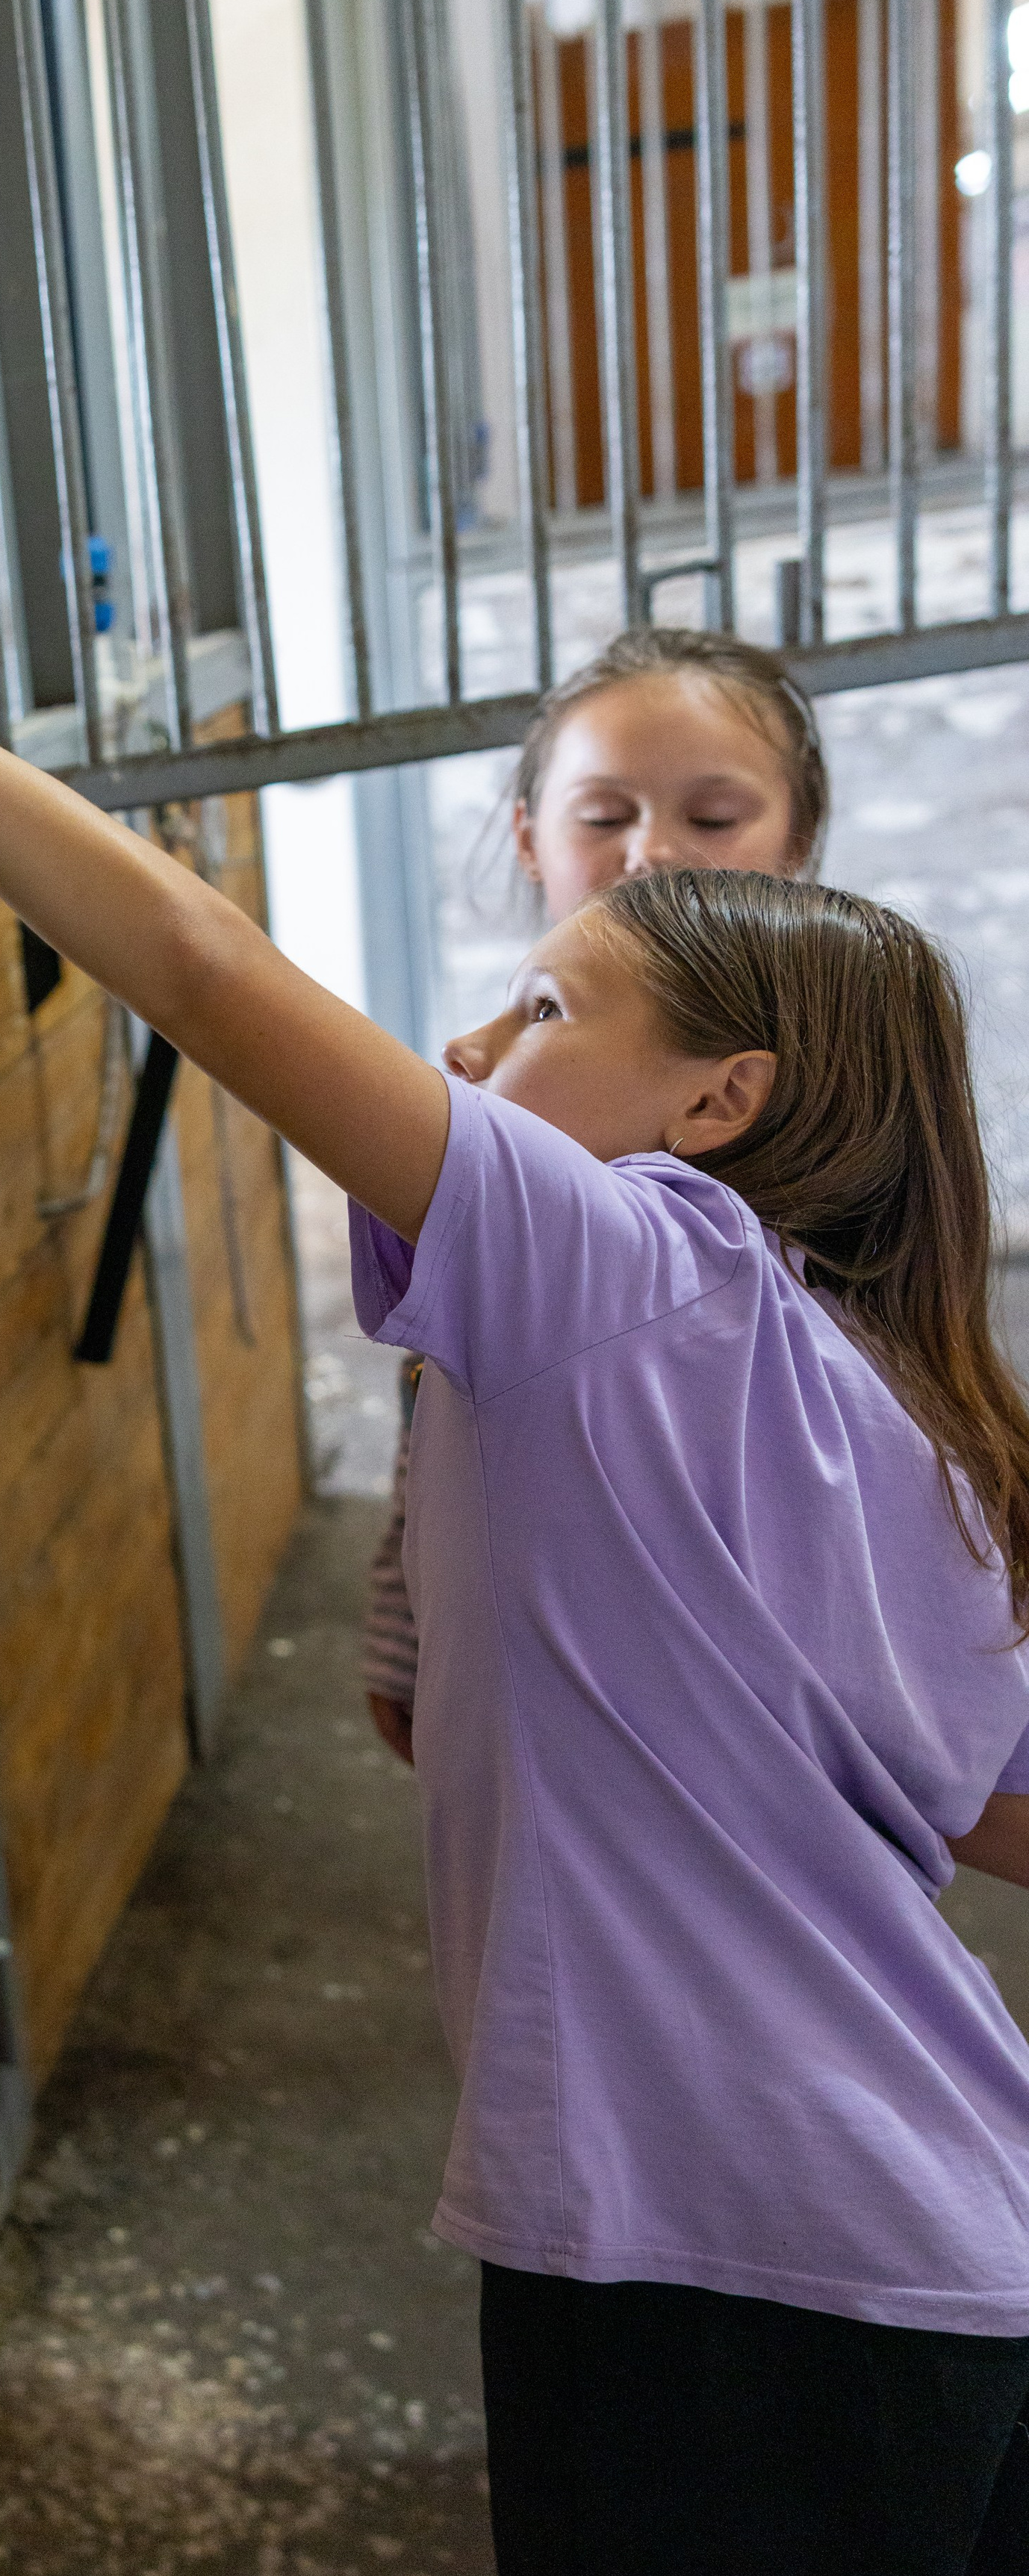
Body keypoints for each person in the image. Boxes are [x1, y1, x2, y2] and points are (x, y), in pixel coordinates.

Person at [0, 577, 1029, 2576]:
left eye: (540, 1012)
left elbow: (199, 966)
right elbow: (990, 1795)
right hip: (937, 2248)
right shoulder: (889, 1400)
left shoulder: (625, 1262)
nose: (471, 1047)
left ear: (719, 1104)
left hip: (712, 2261)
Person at [367, 626, 828, 1762]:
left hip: (771, 1696)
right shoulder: (500, 1075)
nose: (652, 855)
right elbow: (439, 1373)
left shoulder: (847, 1103)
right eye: (604, 814)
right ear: (530, 838)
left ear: (800, 840)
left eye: (711, 819)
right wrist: (407, 1608)